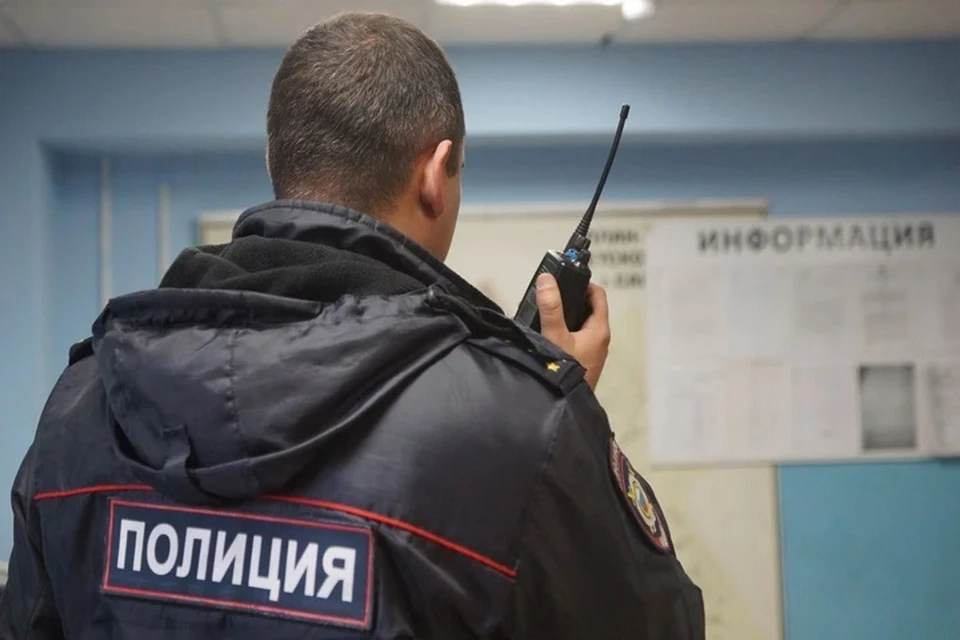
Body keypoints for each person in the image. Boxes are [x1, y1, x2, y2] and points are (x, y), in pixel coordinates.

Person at [0, 11, 704, 640]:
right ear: (436, 174)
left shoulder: (81, 404)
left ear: (276, 162)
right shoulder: (521, 426)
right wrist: (555, 416)